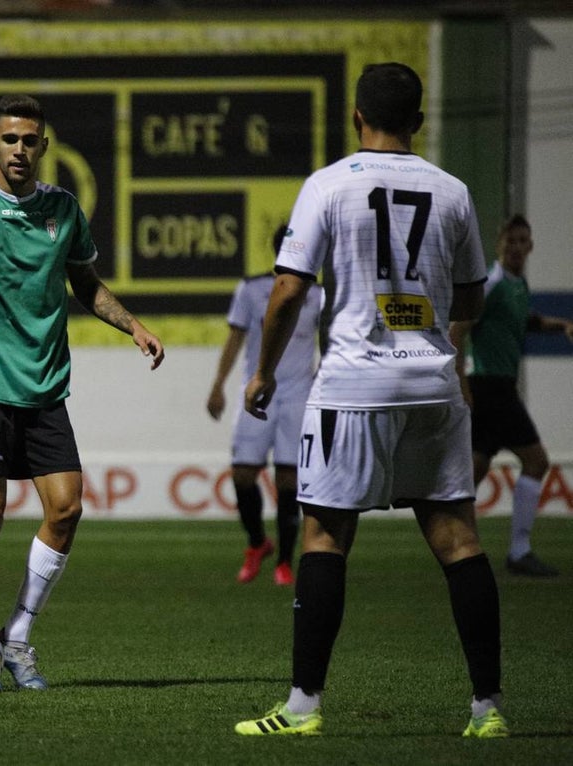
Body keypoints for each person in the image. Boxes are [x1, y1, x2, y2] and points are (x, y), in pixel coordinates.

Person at [234, 63, 507, 738]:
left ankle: (303, 708)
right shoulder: (453, 192)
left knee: (326, 535)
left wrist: (263, 370)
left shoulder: (328, 185)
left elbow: (290, 292)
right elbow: (474, 294)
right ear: (420, 121)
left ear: (356, 116)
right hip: (434, 384)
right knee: (458, 537)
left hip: (352, 385)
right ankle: (488, 710)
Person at [0, 94, 164, 690]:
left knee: (67, 507)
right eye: (10, 140)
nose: (20, 150)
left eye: (31, 140)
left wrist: (132, 324)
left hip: (45, 387)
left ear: (44, 146)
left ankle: (19, 637)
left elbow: (86, 283)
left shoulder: (64, 209)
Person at [207, 224, 322, 586]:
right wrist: (218, 385)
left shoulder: (318, 295)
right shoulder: (252, 289)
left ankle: (285, 562)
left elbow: (332, 339)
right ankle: (258, 543)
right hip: (255, 389)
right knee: (243, 473)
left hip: (299, 393)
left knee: (288, 479)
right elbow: (235, 339)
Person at [459, 214, 573, 577]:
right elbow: (459, 326)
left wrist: (562, 326)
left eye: (523, 241)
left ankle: (458, 547)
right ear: (499, 245)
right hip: (490, 387)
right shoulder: (492, 283)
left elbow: (527, 319)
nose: (517, 247)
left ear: (531, 246)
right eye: (511, 241)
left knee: (473, 472)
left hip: (493, 386)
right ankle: (519, 551)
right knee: (537, 461)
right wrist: (459, 380)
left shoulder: (516, 285)